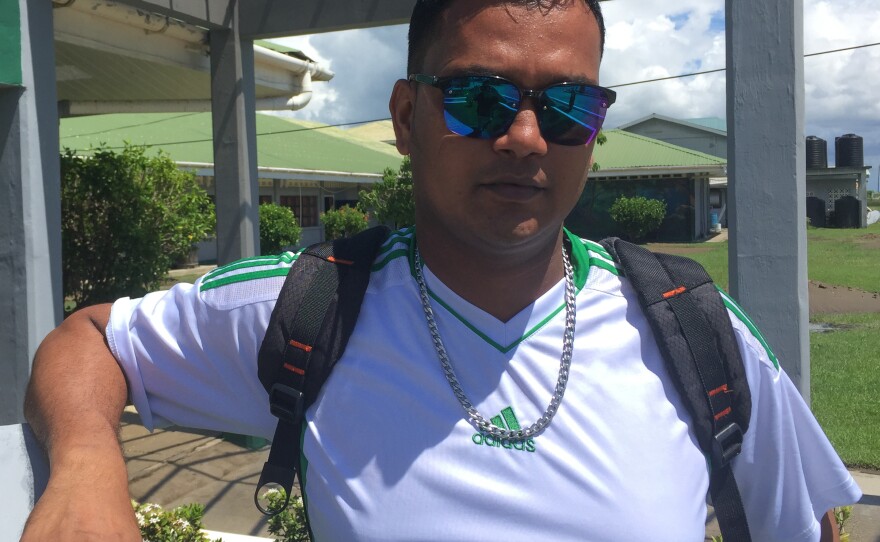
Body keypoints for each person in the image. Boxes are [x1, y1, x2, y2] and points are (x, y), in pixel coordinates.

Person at [23, 1, 861, 540]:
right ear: (405, 115)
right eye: (480, 99)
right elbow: (90, 338)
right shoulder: (315, 306)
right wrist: (88, 464)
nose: (526, 138)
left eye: (568, 105)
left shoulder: (693, 327)